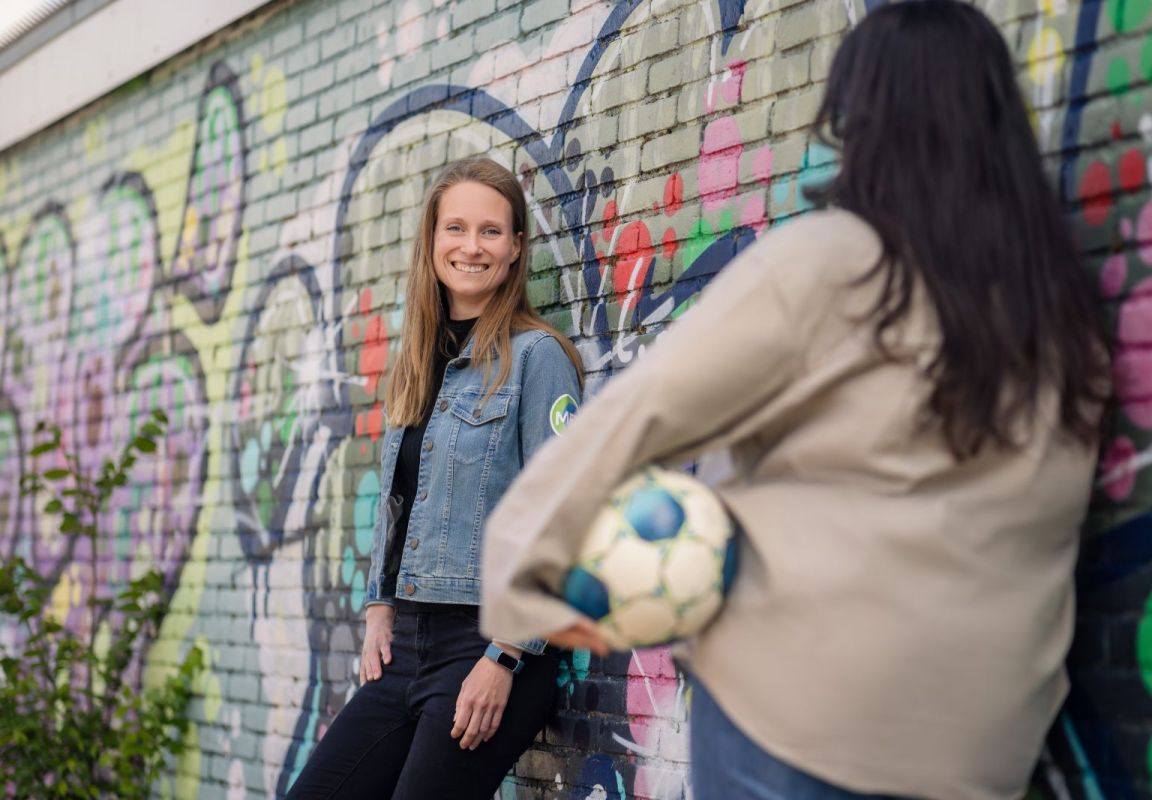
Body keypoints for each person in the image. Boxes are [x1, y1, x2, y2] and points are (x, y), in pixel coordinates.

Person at [479, 3, 1110, 799]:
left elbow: (637, 413)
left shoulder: (831, 265)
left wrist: (518, 571)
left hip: (801, 716)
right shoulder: (1062, 312)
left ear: (867, 119)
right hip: (984, 742)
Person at [285, 157, 584, 799]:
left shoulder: (537, 358)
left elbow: (565, 512)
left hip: (492, 642)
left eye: (491, 231)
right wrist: (378, 605)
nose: (471, 246)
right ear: (431, 242)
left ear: (514, 250)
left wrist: (505, 655)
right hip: (409, 643)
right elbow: (398, 500)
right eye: (455, 228)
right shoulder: (420, 362)